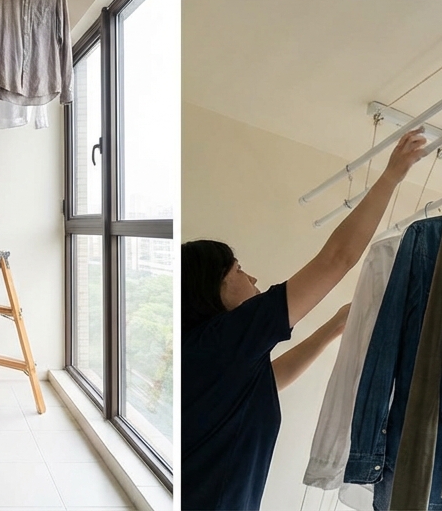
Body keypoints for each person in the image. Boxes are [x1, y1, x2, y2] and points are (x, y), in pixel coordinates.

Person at [183, 128, 429, 511]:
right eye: (239, 270)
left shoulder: (207, 353)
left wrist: (333, 328)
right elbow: (337, 258)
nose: (252, 278)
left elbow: (268, 381)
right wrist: (392, 175)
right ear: (211, 287)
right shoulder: (223, 340)